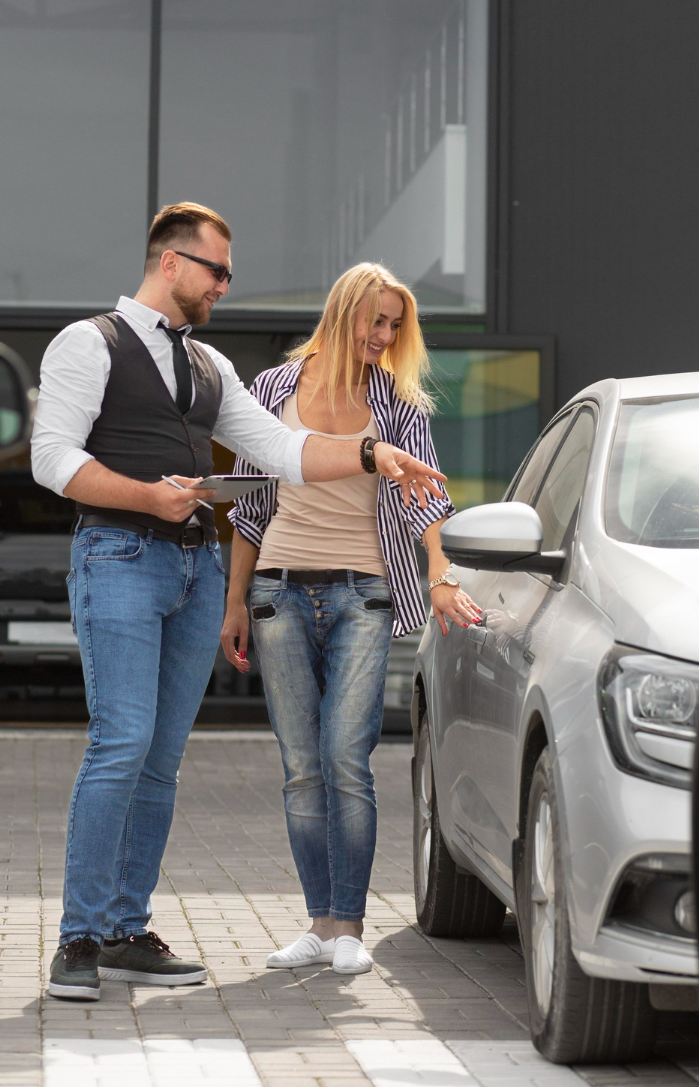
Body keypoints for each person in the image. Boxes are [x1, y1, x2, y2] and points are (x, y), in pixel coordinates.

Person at [30, 205, 447, 1002]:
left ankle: (125, 930)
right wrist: (149, 499)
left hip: (193, 567)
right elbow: (53, 458)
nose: (225, 285)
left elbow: (285, 451)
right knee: (120, 743)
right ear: (172, 263)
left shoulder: (212, 366)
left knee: (160, 760)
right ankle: (78, 939)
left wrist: (371, 451)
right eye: (216, 271)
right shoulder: (89, 343)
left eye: (229, 273)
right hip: (118, 556)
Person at [221, 263, 481, 975]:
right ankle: (318, 922)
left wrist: (438, 573)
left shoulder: (396, 402)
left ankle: (350, 929)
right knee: (302, 766)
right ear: (343, 315)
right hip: (277, 589)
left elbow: (428, 496)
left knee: (346, 756)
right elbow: (248, 506)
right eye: (377, 321)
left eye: (396, 325)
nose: (386, 335)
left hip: (362, 591)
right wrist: (235, 602)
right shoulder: (271, 391)